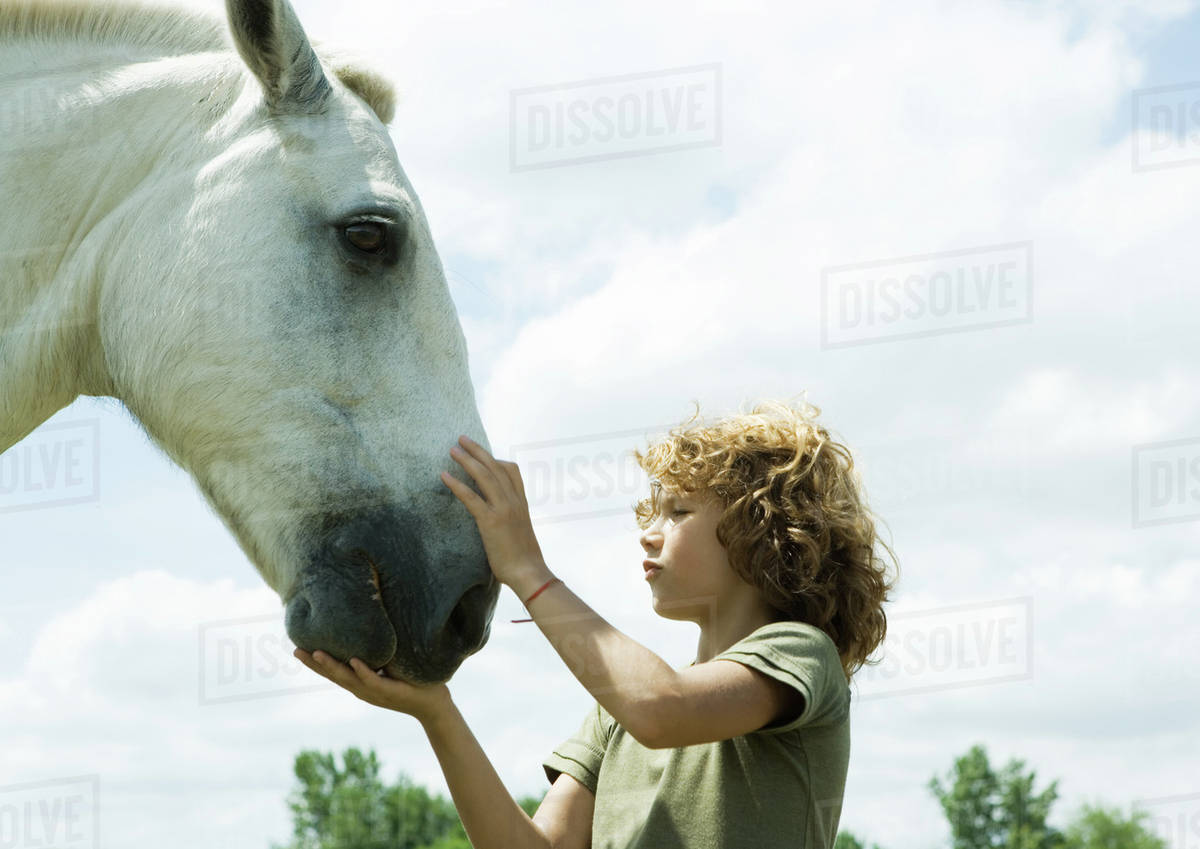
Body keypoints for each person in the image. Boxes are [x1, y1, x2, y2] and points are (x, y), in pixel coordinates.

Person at [294, 397, 898, 849]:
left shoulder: (800, 653)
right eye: (651, 510)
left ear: (765, 533)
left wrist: (527, 569)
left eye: (679, 511)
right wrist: (437, 711)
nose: (649, 530)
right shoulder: (619, 710)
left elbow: (664, 709)